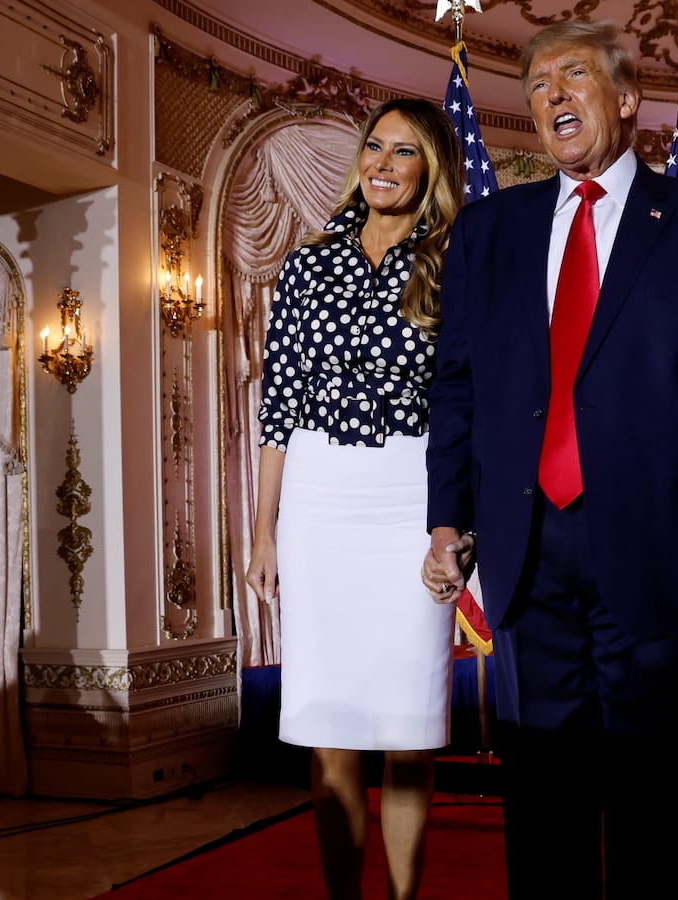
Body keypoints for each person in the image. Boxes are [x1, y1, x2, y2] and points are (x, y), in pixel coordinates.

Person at [420, 19, 678, 899]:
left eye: (572, 76)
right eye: (538, 85)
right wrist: (446, 518)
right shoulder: (489, 232)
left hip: (663, 555)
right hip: (526, 556)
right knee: (543, 800)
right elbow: (459, 388)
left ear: (625, 100)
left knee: (658, 796)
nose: (551, 96)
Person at [246, 96, 466, 900]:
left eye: (404, 152)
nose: (381, 163)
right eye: (374, 146)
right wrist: (264, 528)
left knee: (409, 730)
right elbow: (280, 407)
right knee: (331, 729)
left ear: (431, 169)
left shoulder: (455, 260)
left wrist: (456, 525)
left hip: (414, 492)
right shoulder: (307, 266)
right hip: (319, 497)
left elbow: (465, 402)